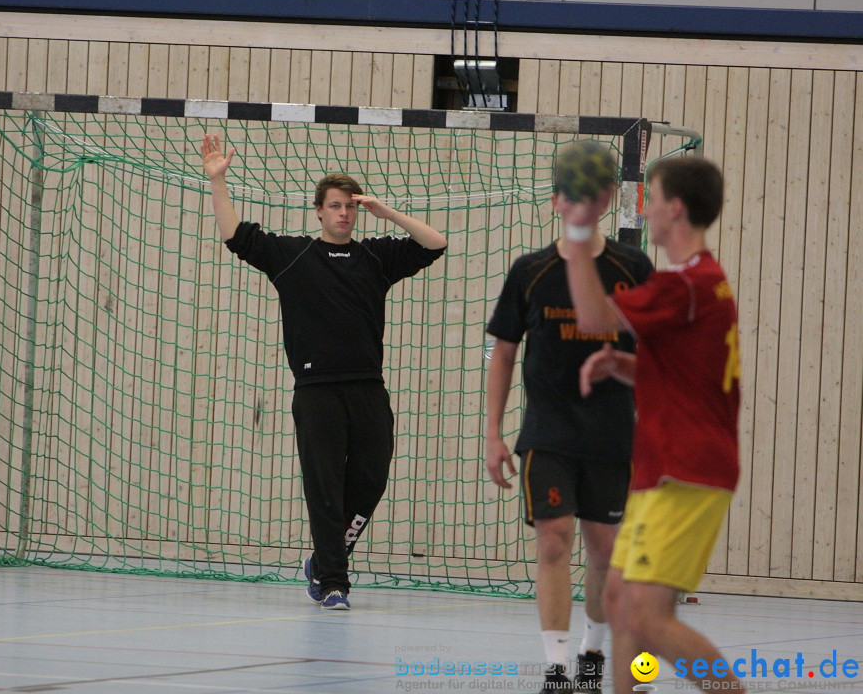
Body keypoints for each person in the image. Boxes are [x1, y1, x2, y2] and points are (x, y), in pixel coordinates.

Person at [201, 134, 446, 611]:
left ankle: (326, 557)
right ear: (318, 210)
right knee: (325, 488)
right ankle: (334, 581)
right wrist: (218, 181)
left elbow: (435, 244)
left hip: (368, 388)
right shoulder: (293, 256)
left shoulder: (375, 257)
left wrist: (387, 213)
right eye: (335, 206)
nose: (343, 214)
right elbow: (235, 236)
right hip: (316, 392)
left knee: (371, 478)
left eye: (350, 207)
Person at [557, 156, 741, 692]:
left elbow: (592, 318)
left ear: (675, 210)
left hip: (688, 470)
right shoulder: (698, 281)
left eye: (652, 197)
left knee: (647, 618)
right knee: (619, 600)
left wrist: (577, 228)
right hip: (663, 466)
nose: (647, 208)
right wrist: (624, 364)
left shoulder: (686, 284)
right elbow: (691, 376)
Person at [485, 145, 653, 693]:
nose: (578, 202)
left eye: (589, 194)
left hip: (611, 433)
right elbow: (505, 352)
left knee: (604, 548)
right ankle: (556, 667)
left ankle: (591, 652)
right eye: (568, 193)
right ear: (556, 202)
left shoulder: (633, 268)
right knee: (554, 541)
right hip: (547, 433)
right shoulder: (530, 272)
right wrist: (493, 432)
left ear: (603, 202)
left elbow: (657, 355)